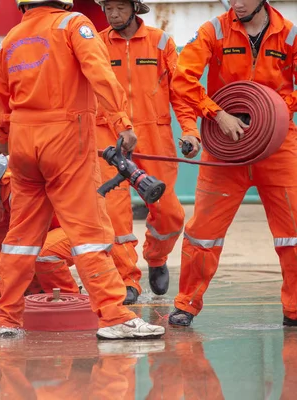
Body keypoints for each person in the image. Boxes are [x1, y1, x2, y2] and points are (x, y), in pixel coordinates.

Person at [0, 0, 165, 339]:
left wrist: (1, 136)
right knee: (89, 233)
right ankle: (114, 317)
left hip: (24, 145)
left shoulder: (10, 38)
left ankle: (6, 317)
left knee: (21, 238)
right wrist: (122, 122)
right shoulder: (73, 25)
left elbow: (1, 96)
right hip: (65, 139)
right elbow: (99, 72)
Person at [168, 0, 297, 326]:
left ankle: (294, 310)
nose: (236, 3)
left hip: (278, 147)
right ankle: (186, 304)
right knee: (203, 233)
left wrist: (274, 111)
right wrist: (217, 113)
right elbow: (182, 78)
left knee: (292, 234)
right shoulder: (214, 30)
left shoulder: (290, 35)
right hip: (224, 147)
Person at [94, 0, 200, 304]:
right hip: (108, 137)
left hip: (154, 137)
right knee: (114, 216)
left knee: (169, 214)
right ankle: (127, 281)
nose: (113, 14)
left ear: (134, 8)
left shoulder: (161, 42)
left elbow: (181, 94)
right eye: (108, 8)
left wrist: (190, 131)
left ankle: (156, 256)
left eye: (119, 8)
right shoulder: (96, 45)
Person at [0, 154, 80, 314]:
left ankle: (71, 305)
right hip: (50, 230)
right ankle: (38, 299)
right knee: (24, 263)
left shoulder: (19, 189)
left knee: (40, 255)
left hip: (77, 227)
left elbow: (21, 245)